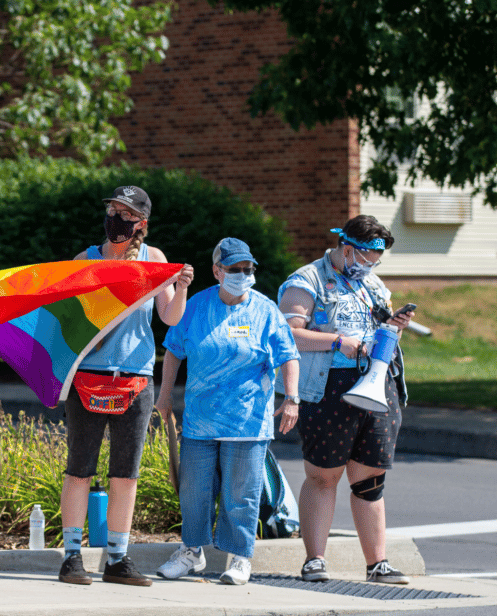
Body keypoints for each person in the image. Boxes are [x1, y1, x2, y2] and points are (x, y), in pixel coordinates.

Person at [57, 186, 194, 587]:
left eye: (126, 213)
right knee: (79, 470)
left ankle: (117, 557)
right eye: (113, 210)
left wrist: (181, 286)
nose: (116, 218)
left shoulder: (155, 260)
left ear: (141, 224)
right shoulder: (87, 259)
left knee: (125, 475)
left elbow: (169, 317)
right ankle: (71, 557)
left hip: (135, 377)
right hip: (89, 376)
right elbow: (68, 317)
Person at [154, 237, 300, 585]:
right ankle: (191, 553)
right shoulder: (196, 306)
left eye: (248, 268)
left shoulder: (265, 311)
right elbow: (174, 350)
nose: (243, 274)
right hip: (199, 423)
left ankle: (239, 558)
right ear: (218, 271)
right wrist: (163, 396)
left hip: (247, 423)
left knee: (241, 494)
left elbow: (288, 354)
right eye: (235, 269)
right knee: (193, 492)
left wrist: (292, 397)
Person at [277, 215, 413, 584]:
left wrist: (392, 328)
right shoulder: (306, 281)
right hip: (328, 387)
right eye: (366, 259)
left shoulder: (373, 284)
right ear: (347, 249)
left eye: (376, 262)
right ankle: (314, 560)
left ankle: (377, 564)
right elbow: (288, 335)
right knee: (323, 476)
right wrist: (339, 342)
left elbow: (379, 327)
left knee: (371, 478)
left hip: (376, 383)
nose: (370, 268)